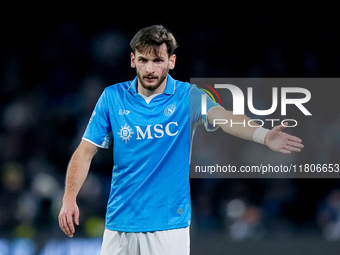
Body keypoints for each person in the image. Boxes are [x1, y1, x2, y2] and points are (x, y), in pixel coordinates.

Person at [58, 25, 303, 255]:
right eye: (143, 60)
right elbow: (84, 152)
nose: (150, 69)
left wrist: (263, 135)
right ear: (133, 60)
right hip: (119, 223)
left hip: (169, 225)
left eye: (158, 61)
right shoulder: (113, 97)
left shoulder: (189, 96)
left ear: (171, 61)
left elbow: (225, 118)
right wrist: (69, 199)